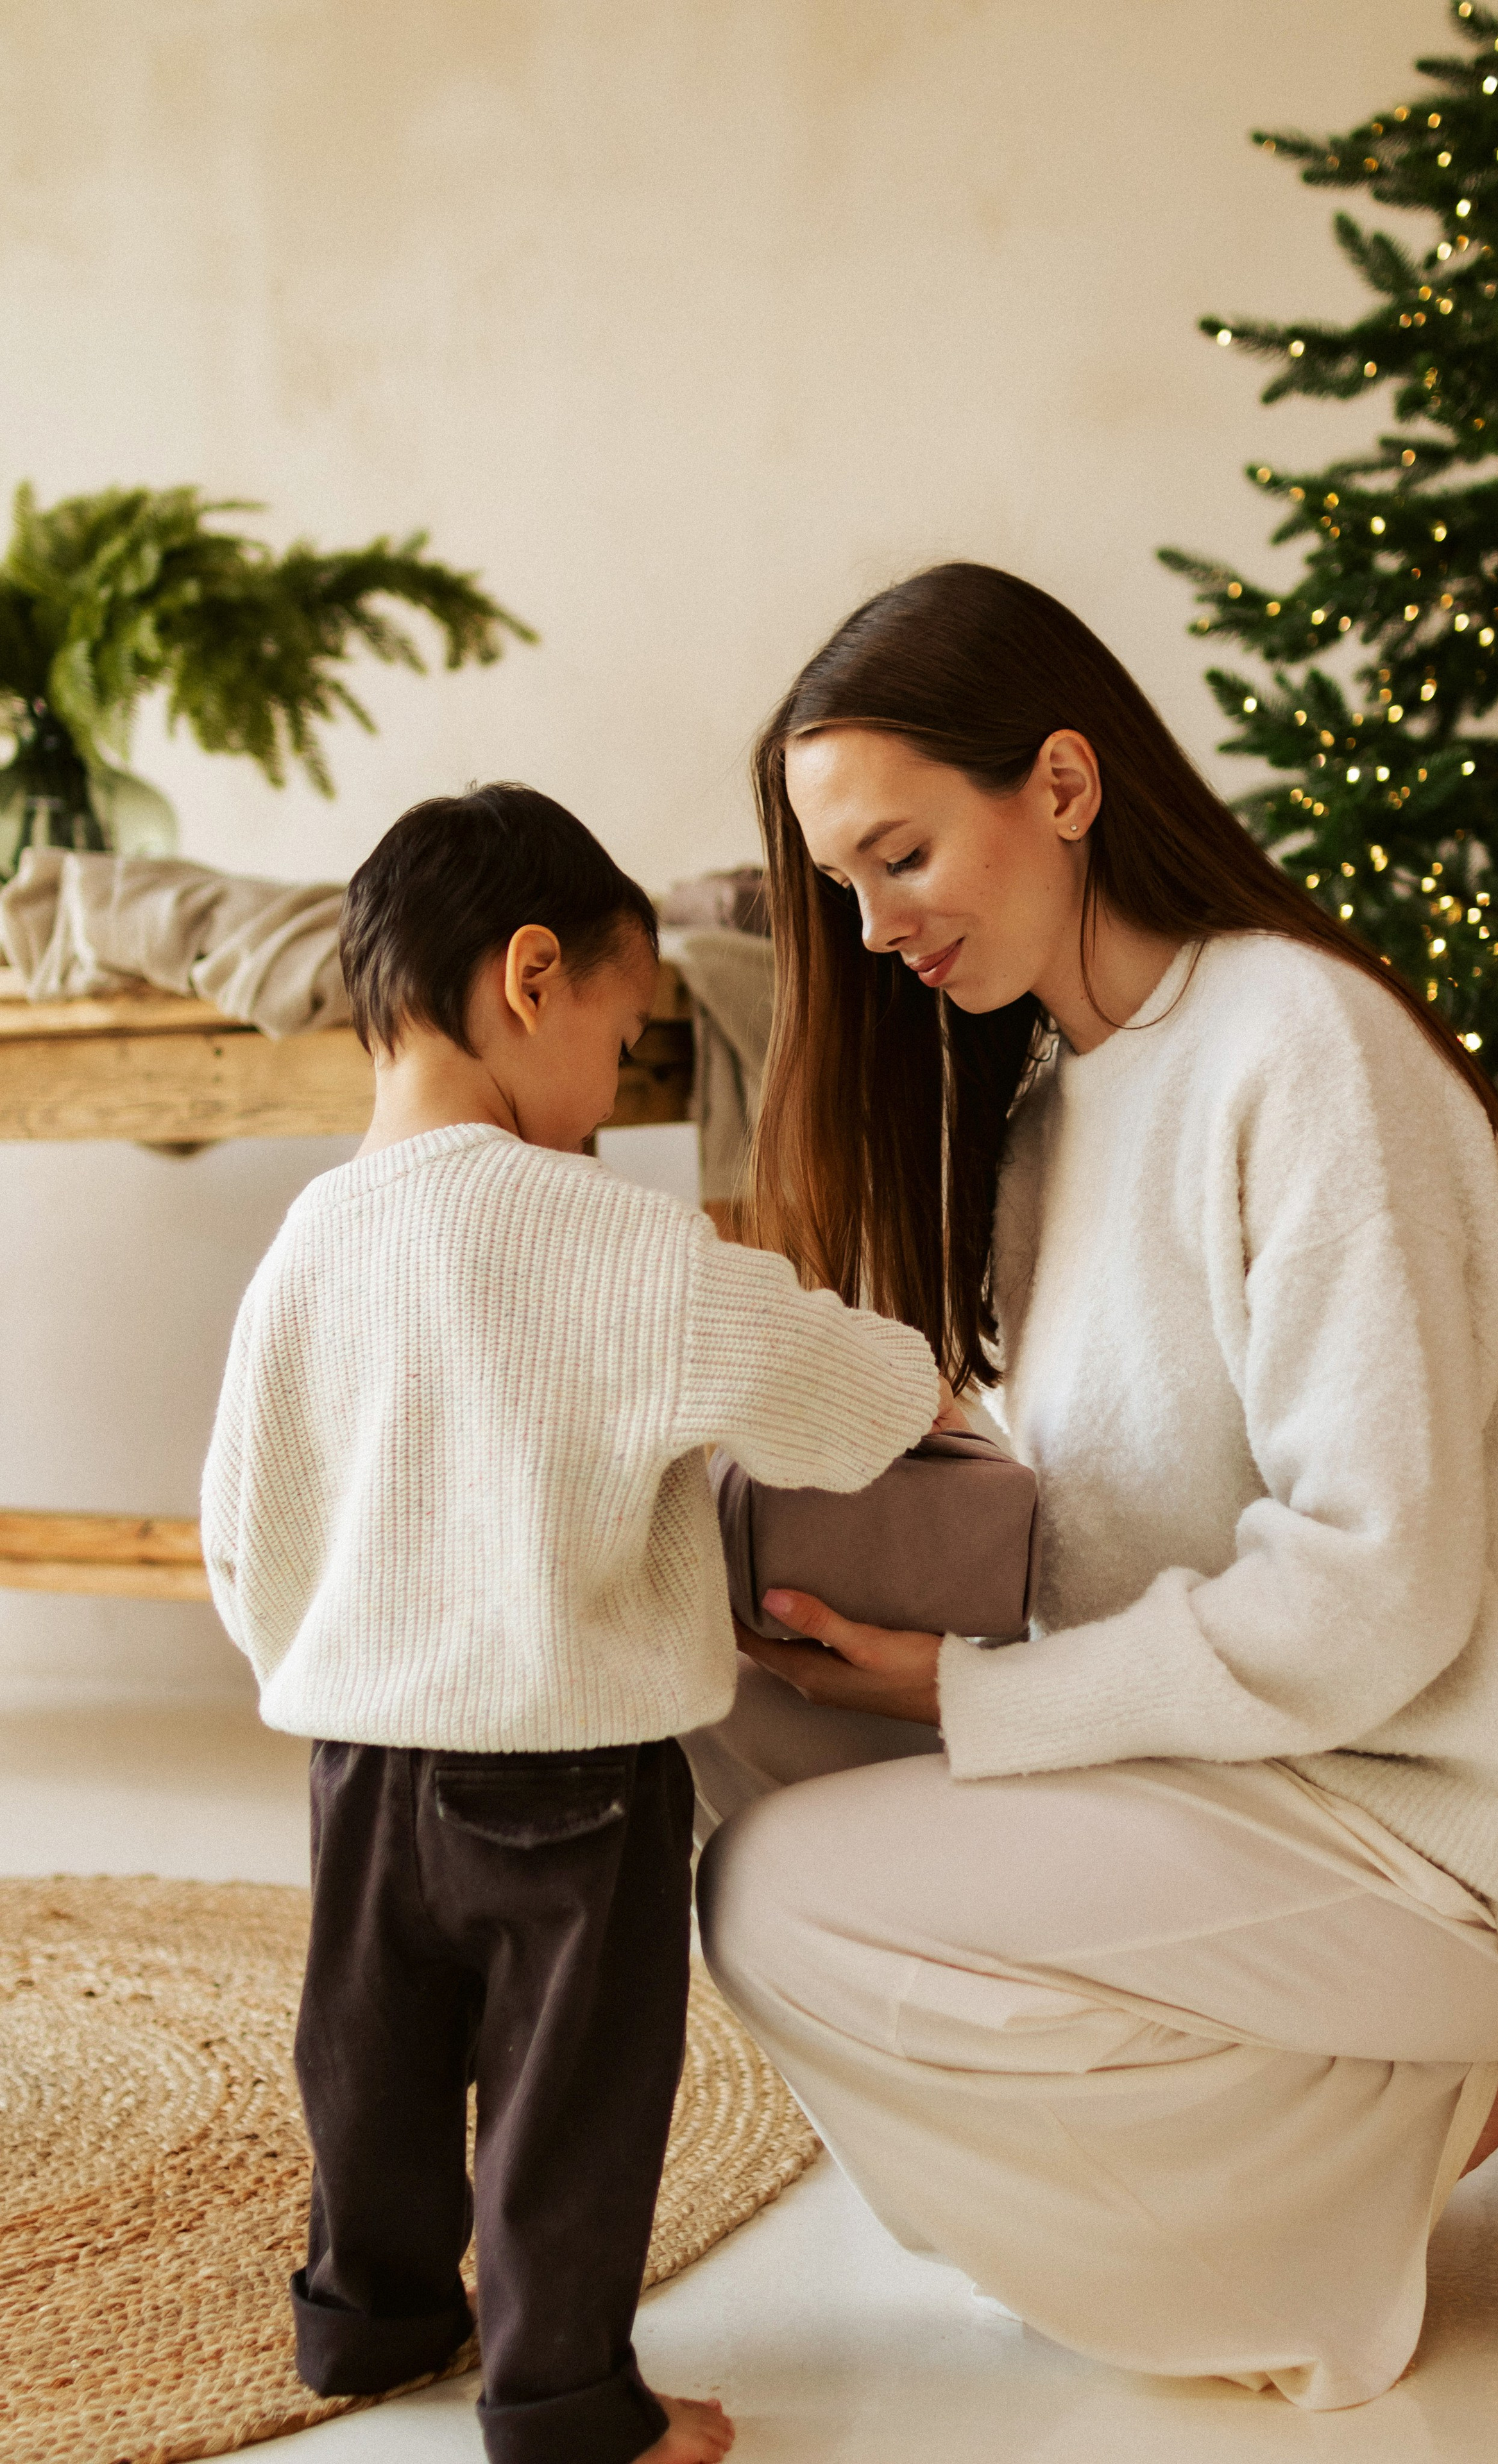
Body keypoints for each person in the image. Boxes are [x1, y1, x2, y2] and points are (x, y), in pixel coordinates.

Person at [688, 565, 1498, 2409]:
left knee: (780, 1898)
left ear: (1060, 782)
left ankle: (1335, 2195)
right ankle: (1359, 2118)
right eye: (842, 888)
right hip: (1237, 1770)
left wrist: (970, 1693)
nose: (874, 928)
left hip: (1434, 1829)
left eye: (899, 857)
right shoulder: (1052, 1105)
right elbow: (1126, 1501)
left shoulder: (1302, 1047)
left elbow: (1375, 1585)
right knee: (706, 1698)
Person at [200, 783, 942, 2464]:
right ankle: (562, 2401)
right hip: (577, 1769)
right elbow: (837, 1407)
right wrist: (928, 1372)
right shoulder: (620, 1240)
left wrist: (334, 1659)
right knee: (572, 2090)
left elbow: (240, 1532)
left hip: (362, 1758)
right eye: (622, 1043)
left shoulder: (308, 1244)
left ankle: (367, 2311)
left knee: (367, 2056)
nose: (613, 1098)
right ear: (532, 976)